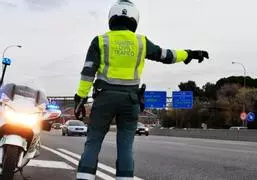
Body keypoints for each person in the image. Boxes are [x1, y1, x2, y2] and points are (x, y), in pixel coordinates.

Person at [74, 0, 209, 179]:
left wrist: (80, 98)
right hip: (130, 101)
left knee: (93, 141)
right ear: (134, 19)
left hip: (104, 98)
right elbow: (166, 55)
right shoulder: (141, 42)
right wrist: (189, 53)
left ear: (111, 18)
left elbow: (88, 71)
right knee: (125, 146)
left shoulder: (100, 41)